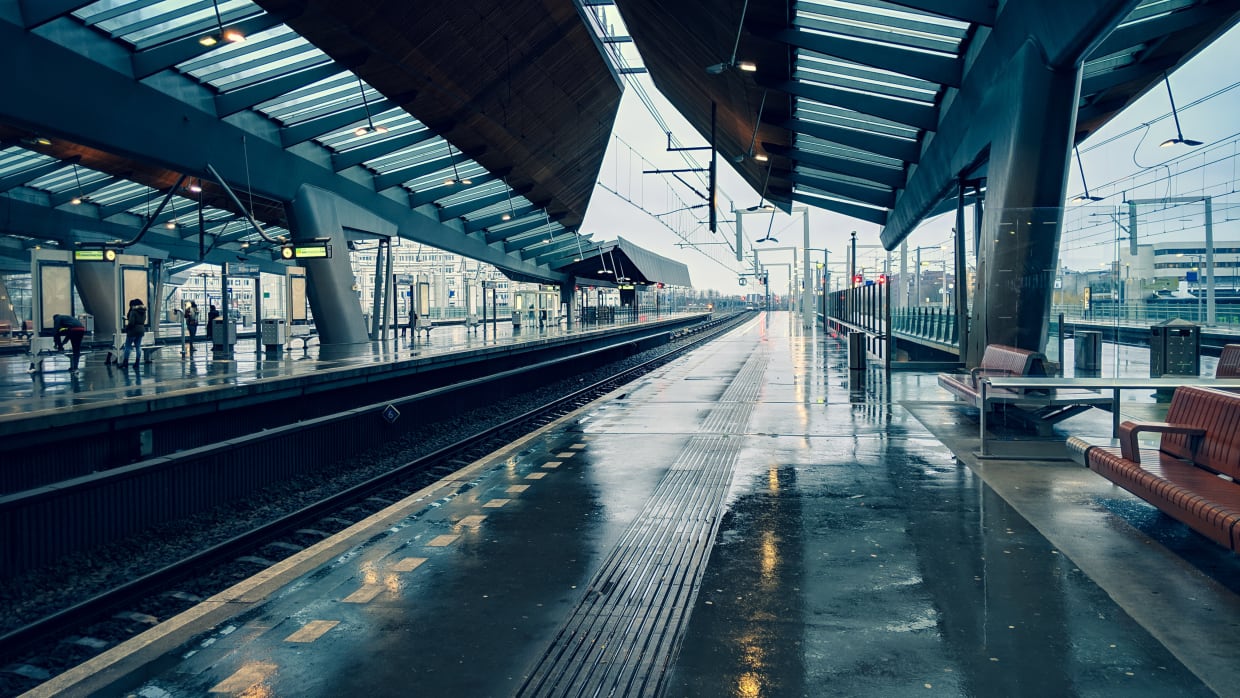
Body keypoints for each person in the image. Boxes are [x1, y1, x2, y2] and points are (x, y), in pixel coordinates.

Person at [117, 298, 146, 368]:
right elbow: (141, 320)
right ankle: (137, 363)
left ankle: (125, 362)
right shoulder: (143, 311)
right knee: (138, 347)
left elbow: (132, 322)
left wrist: (126, 328)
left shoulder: (133, 311)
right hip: (141, 329)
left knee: (127, 346)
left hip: (133, 330)